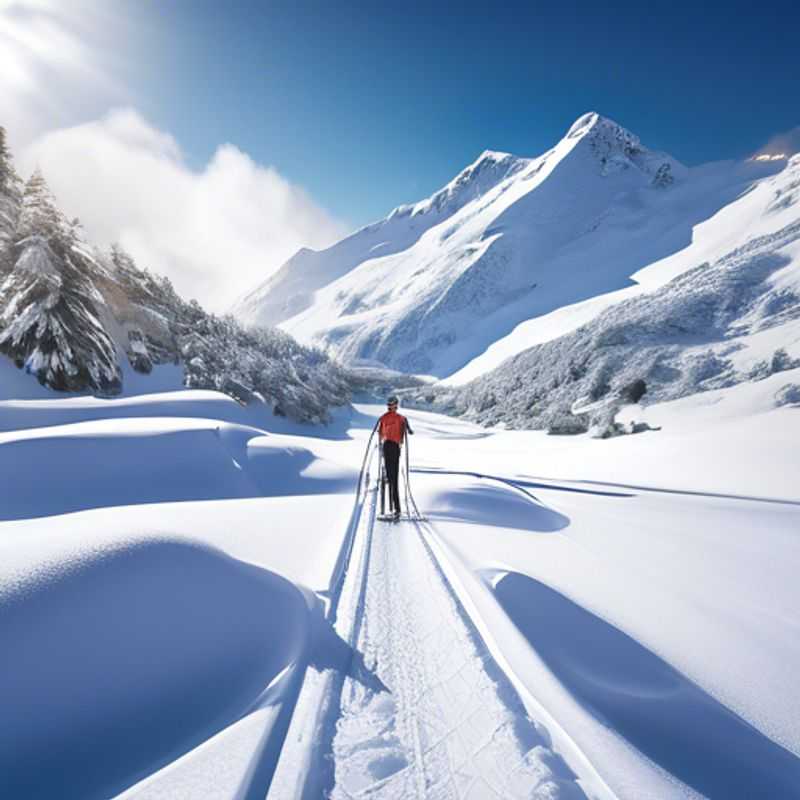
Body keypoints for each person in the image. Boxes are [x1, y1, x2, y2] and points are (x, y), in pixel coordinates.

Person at [378, 395, 413, 518]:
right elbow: (408, 430)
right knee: (394, 478)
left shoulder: (385, 418)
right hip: (392, 447)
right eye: (390, 404)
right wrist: (407, 429)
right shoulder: (400, 418)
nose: (390, 406)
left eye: (391, 404)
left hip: (390, 447)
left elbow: (380, 434)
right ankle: (396, 508)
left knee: (393, 478)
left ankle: (396, 508)